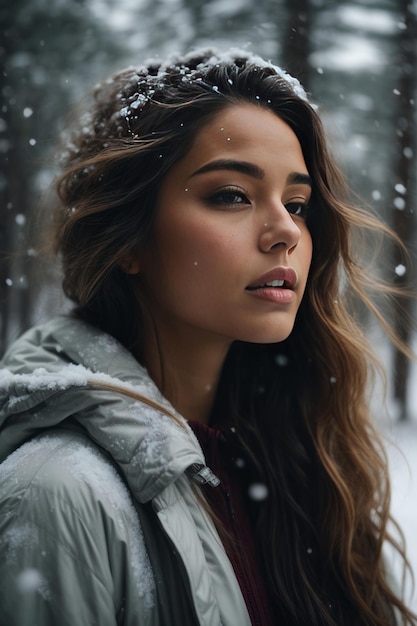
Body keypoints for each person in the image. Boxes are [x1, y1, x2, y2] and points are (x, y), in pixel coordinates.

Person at [0, 47, 415, 626]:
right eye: (231, 195)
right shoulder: (57, 494)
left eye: (297, 203)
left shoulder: (306, 463)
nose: (284, 232)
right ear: (129, 239)